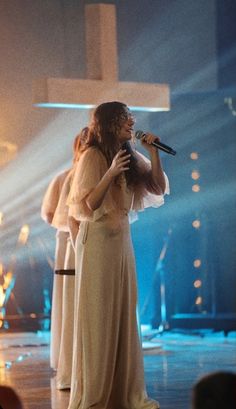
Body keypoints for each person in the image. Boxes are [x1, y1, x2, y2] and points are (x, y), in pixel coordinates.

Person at [67, 101, 169, 409]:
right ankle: (96, 394)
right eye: (126, 119)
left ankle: (126, 392)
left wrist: (153, 152)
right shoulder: (93, 157)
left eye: (132, 119)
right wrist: (110, 173)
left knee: (125, 313)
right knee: (99, 317)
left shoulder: (128, 154)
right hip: (97, 242)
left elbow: (158, 188)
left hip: (122, 241)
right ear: (111, 123)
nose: (132, 123)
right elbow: (88, 206)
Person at [41, 128, 87, 371]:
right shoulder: (64, 178)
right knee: (68, 293)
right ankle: (68, 356)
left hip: (73, 236)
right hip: (67, 240)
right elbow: (49, 213)